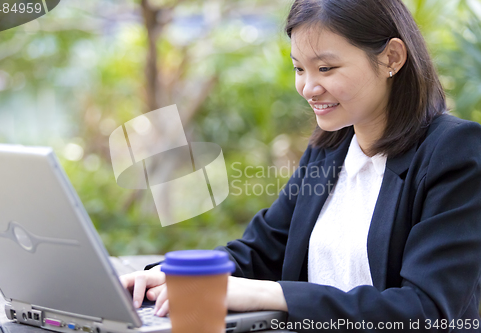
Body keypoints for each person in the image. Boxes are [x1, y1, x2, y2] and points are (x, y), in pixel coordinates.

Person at [120, 0, 481, 331]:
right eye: (299, 69)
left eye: (326, 67)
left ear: (391, 58)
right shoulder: (331, 149)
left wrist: (270, 295)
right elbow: (262, 249)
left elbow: (426, 311)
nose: (308, 88)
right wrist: (175, 273)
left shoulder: (454, 151)